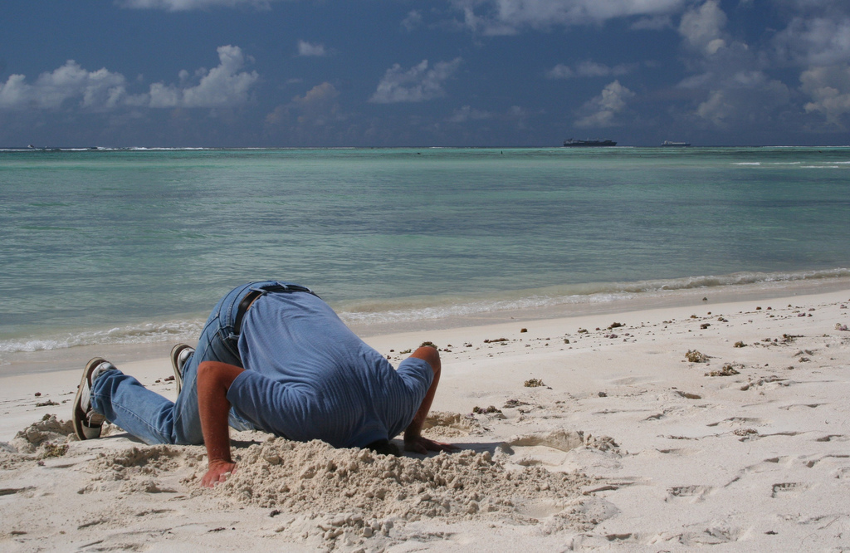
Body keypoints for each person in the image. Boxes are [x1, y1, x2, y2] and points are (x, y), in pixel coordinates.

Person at [72, 281, 453, 487]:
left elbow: (429, 355)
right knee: (181, 433)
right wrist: (218, 459)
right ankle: (103, 384)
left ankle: (189, 363)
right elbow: (214, 376)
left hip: (300, 298)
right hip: (234, 321)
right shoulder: (311, 415)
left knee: (256, 416)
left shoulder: (399, 404)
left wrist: (412, 431)